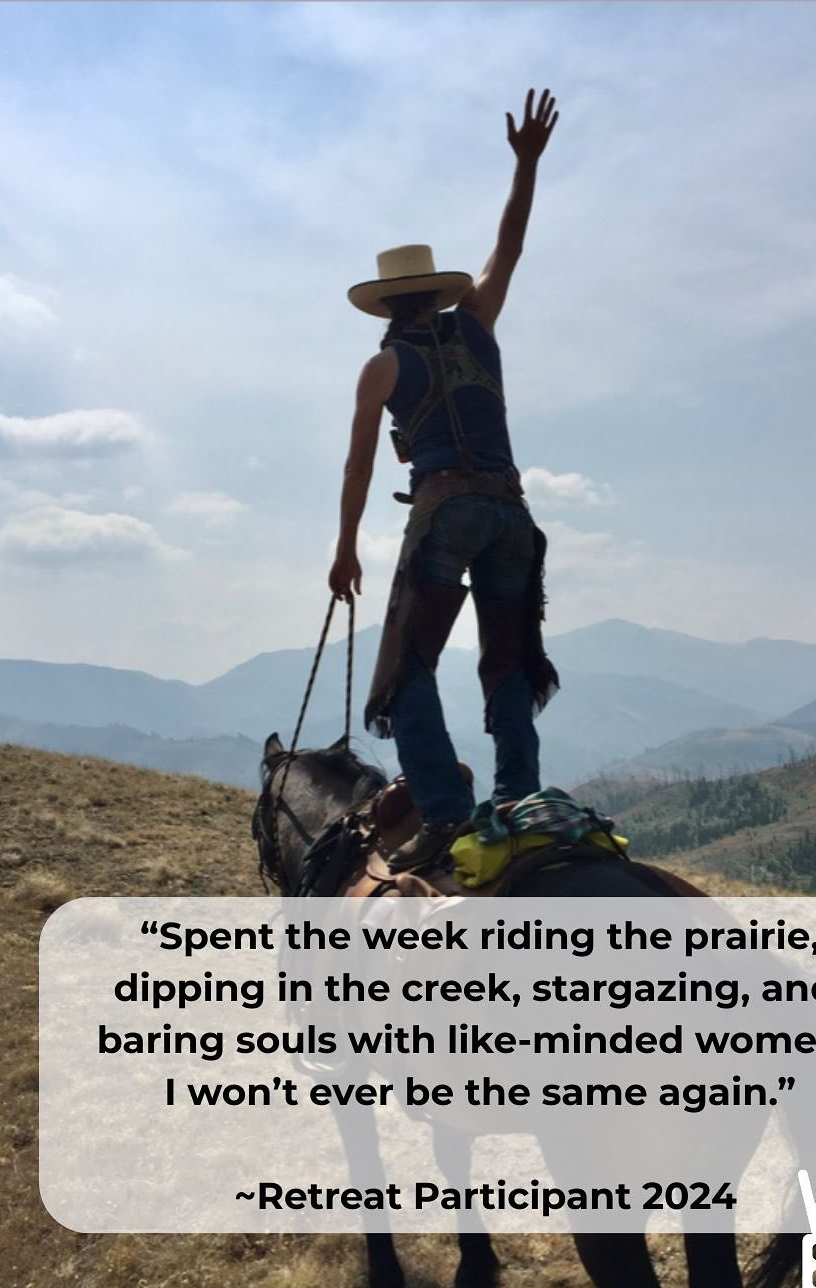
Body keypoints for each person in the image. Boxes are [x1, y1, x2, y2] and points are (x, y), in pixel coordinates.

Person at [329, 88, 561, 870]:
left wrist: (344, 549)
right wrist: (525, 165)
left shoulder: (383, 365)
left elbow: (361, 463)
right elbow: (510, 246)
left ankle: (442, 811)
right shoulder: (480, 323)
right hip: (512, 514)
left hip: (445, 509)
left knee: (408, 666)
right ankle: (521, 799)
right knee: (508, 657)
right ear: (439, 293)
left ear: (387, 306)